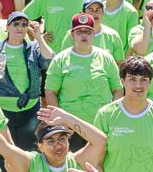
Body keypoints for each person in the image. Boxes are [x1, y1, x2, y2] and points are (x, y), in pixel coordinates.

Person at [45, 12, 122, 150]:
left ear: (93, 34)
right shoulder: (60, 60)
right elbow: (50, 92)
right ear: (72, 35)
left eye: (87, 31)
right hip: (70, 129)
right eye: (79, 32)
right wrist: (62, 123)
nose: (84, 35)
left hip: (100, 126)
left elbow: (118, 89)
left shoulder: (106, 58)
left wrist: (111, 117)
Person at [0, 11, 54, 150]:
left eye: (24, 24)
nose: (20, 27)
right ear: (7, 27)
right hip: (1, 110)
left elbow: (49, 61)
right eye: (16, 23)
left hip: (30, 110)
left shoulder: (34, 48)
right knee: (2, 151)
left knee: (29, 152)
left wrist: (39, 37)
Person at [0, 103, 107, 171]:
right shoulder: (31, 163)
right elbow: (6, 149)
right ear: (40, 146)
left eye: (62, 139)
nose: (58, 145)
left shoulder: (77, 162)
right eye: (51, 141)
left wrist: (67, 117)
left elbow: (100, 141)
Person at [94, 55, 153, 172]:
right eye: (132, 79)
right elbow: (96, 162)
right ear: (122, 81)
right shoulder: (105, 115)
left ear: (150, 82)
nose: (138, 85)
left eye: (143, 80)